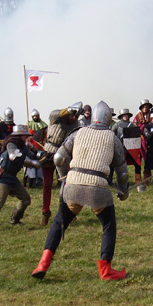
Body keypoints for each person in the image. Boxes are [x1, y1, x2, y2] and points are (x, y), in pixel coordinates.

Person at [31, 101, 129, 281]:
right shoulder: (112, 138)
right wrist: (123, 192)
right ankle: (106, 270)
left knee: (59, 222)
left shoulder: (78, 132)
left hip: (73, 185)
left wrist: (63, 179)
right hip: (97, 188)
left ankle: (43, 264)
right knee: (109, 226)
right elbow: (122, 173)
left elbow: (59, 158)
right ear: (108, 119)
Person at [40, 101, 83, 226]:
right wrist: (68, 110)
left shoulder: (76, 125)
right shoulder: (57, 116)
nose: (74, 118)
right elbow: (54, 114)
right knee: (47, 184)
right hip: (48, 153)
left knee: (66, 184)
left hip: (63, 155)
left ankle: (69, 211)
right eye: (72, 115)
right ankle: (45, 212)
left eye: (76, 116)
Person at [112, 108, 141, 185]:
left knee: (137, 164)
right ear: (121, 116)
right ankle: (119, 181)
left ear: (128, 116)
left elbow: (135, 137)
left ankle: (137, 181)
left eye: (126, 115)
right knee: (119, 166)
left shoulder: (132, 125)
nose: (125, 116)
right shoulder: (116, 125)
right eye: (124, 115)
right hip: (121, 148)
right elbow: (112, 136)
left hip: (131, 148)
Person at [132, 99, 153, 184]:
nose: (145, 108)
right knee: (138, 162)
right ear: (141, 108)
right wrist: (136, 127)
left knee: (148, 161)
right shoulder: (137, 117)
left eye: (147, 107)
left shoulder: (152, 116)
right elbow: (133, 128)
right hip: (139, 141)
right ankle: (138, 180)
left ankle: (146, 180)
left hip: (149, 140)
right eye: (144, 107)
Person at [26, 109, 48, 188]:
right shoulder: (29, 124)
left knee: (40, 163)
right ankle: (30, 179)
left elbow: (46, 135)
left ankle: (39, 180)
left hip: (40, 146)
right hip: (31, 146)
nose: (35, 117)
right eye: (33, 116)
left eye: (36, 116)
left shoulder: (44, 125)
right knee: (30, 163)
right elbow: (26, 136)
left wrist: (44, 143)